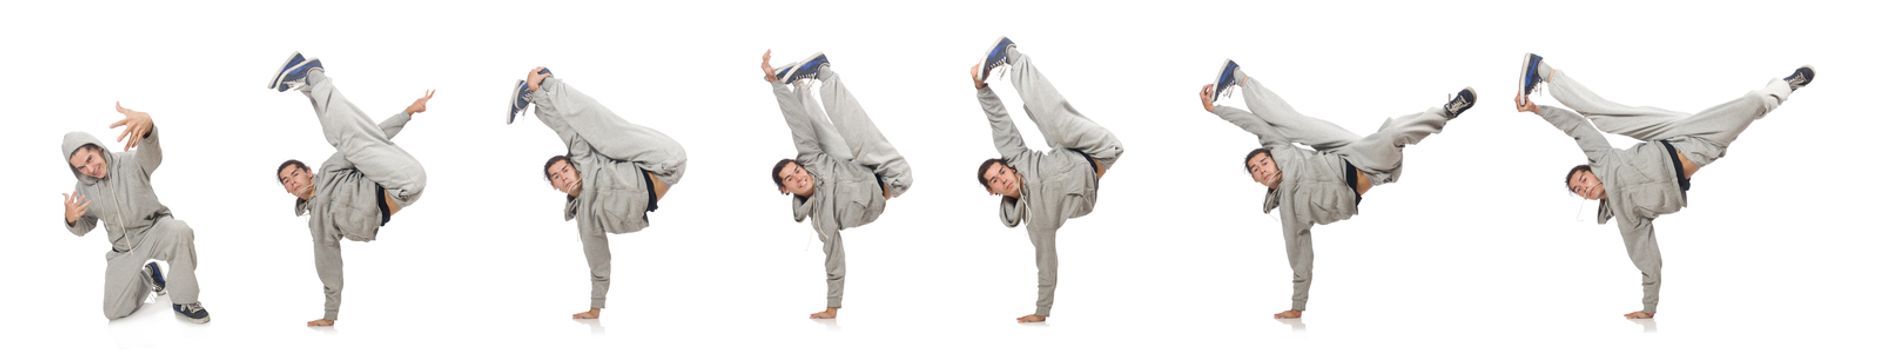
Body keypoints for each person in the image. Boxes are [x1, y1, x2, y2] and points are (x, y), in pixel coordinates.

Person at [1514, 53, 1812, 319]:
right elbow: (1648, 260)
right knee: (1755, 104)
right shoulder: (1626, 217)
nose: (1584, 188)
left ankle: (1543, 70)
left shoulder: (1602, 159)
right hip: (1702, 148)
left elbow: (1577, 127)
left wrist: (1538, 111)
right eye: (1579, 191)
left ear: (1591, 172)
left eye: (1582, 180)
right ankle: (1783, 87)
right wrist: (1649, 307)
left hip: (1673, 134)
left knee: (1603, 117)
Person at [1199, 59, 1474, 319]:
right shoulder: (1289, 214)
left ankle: (1446, 112)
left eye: (1263, 162)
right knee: (1392, 137)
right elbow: (1300, 256)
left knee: (1291, 123)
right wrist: (1298, 306)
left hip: (1342, 151)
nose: (1262, 169)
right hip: (1367, 167)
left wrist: (1217, 110)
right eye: (1256, 171)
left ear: (1271, 158)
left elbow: (1253, 124)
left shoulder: (1281, 151)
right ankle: (1437, 116)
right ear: (1257, 181)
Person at [509, 65, 688, 320]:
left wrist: (540, 94)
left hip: (658, 157)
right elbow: (598, 259)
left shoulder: (585, 161)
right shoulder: (585, 216)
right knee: (604, 137)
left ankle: (544, 85)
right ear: (555, 186)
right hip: (667, 170)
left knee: (603, 132)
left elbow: (567, 130)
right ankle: (534, 91)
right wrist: (596, 307)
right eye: (557, 177)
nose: (563, 176)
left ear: (573, 167)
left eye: (564, 170)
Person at [268, 52, 434, 327]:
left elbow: (372, 135)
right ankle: (311, 79)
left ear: (308, 172)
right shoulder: (318, 222)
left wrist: (407, 114)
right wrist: (329, 315)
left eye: (295, 173)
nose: (292, 181)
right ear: (287, 191)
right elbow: (329, 265)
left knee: (346, 140)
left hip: (398, 177)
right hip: (401, 189)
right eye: (286, 181)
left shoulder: (330, 170)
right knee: (348, 140)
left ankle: (312, 80)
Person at [971, 37, 1124, 323]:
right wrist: (1042, 312)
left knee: (1054, 124)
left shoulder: (1020, 160)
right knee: (1057, 130)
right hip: (1102, 155)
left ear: (1011, 168)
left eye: (1001, 171)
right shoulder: (1035, 222)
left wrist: (982, 89)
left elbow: (1001, 124)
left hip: (1076, 144)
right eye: (994, 180)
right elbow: (1047, 264)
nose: (1002, 178)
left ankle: (1011, 55)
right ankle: (1010, 57)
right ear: (992, 192)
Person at [760, 50, 914, 319]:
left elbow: (796, 125)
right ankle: (801, 83)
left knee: (822, 134)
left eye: (796, 170)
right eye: (790, 179)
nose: (798, 176)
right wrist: (833, 307)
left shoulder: (810, 163)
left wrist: (775, 85)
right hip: (885, 181)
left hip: (853, 163)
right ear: (785, 190)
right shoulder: (821, 219)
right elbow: (834, 258)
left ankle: (816, 76)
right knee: (903, 177)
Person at [62, 102, 211, 323]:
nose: (90, 169)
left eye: (90, 159)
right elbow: (86, 225)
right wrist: (71, 220)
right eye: (81, 168)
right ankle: (150, 276)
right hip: (123, 249)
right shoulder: (83, 190)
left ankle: (184, 301)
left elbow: (152, 155)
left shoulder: (130, 162)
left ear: (99, 149)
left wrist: (149, 128)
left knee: (180, 230)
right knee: (113, 312)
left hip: (155, 230)